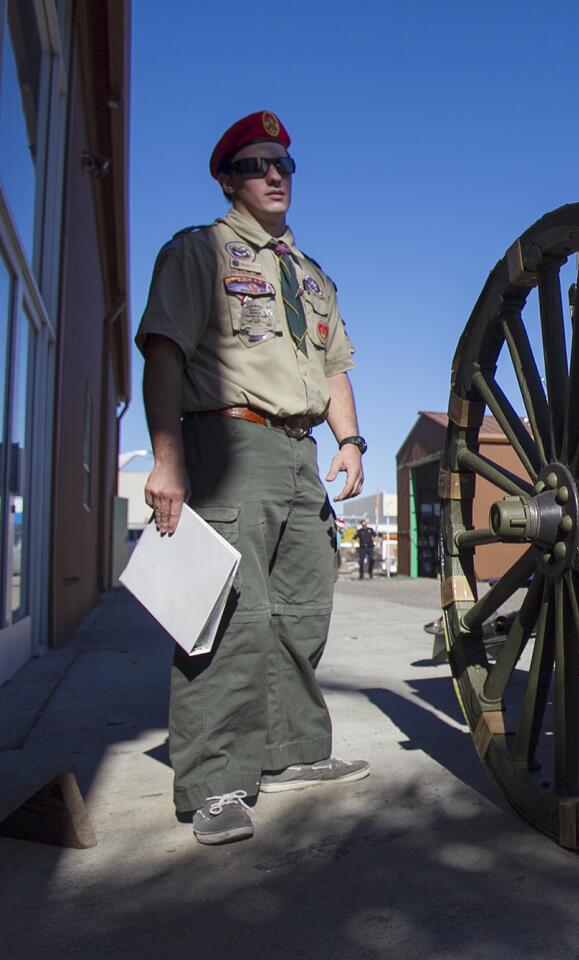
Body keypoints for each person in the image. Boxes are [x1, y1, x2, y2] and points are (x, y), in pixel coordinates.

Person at [138, 110, 371, 845]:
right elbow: (165, 354)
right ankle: (215, 782)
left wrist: (352, 441)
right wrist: (166, 459)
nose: (275, 175)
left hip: (301, 453)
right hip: (227, 442)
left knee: (303, 609)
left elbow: (334, 367)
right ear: (226, 179)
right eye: (256, 165)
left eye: (284, 165)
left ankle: (290, 753)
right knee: (229, 618)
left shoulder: (311, 276)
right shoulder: (199, 252)